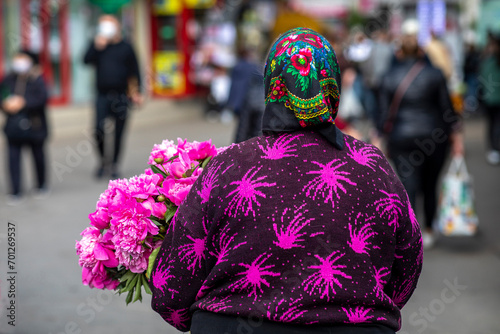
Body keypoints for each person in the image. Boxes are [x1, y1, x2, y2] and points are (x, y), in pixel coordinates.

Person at [150, 28, 423, 334]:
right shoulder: (372, 166)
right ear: (331, 85)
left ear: (272, 84)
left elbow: (172, 288)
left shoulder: (228, 166)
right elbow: (407, 265)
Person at [377, 24, 463, 249]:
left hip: (401, 138)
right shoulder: (435, 75)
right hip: (434, 137)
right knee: (430, 184)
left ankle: (411, 233)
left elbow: (383, 114)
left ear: (399, 52)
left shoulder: (389, 76)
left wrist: (380, 137)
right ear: (421, 52)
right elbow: (447, 110)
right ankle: (430, 229)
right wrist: (456, 137)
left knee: (408, 184)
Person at [83, 15, 142, 179]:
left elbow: (135, 70)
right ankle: (103, 161)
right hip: (102, 95)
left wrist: (137, 92)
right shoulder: (98, 45)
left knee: (119, 132)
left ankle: (115, 164)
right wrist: (96, 46)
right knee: (98, 130)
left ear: (117, 27)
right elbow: (85, 60)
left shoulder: (126, 46)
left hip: (121, 95)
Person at [1, 50, 49, 205]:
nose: (19, 62)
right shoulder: (8, 79)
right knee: (13, 158)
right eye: (17, 58)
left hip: (35, 125)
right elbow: (2, 95)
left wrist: (24, 102)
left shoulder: (37, 79)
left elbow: (42, 98)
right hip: (14, 126)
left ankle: (41, 185)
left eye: (23, 58)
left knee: (38, 156)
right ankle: (15, 190)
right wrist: (7, 104)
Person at [479, 32, 500, 165]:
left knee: (494, 124)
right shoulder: (486, 61)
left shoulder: (488, 61)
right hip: (490, 99)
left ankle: (494, 148)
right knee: (493, 124)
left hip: (493, 99)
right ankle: (494, 148)